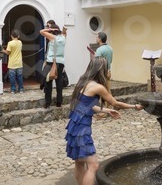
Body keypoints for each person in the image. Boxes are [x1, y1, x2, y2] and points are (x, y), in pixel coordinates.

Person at [65, 56, 143, 185]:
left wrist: (106, 110)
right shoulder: (98, 87)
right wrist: (134, 106)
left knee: (79, 163)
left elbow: (85, 105)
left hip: (74, 127)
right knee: (93, 165)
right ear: (102, 70)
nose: (109, 71)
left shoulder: (83, 82)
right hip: (81, 130)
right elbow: (115, 103)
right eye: (107, 68)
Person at [40, 23, 67, 108]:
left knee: (48, 82)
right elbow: (64, 33)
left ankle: (48, 102)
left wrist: (50, 30)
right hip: (61, 62)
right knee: (59, 82)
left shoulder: (52, 37)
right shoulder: (63, 38)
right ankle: (59, 102)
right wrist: (63, 30)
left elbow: (41, 31)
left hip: (52, 62)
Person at [4, 29, 24, 93]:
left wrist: (2, 50)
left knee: (12, 77)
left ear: (11, 36)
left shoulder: (10, 43)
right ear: (18, 36)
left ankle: (13, 89)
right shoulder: (20, 42)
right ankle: (21, 89)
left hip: (12, 63)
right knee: (20, 77)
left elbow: (8, 53)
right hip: (19, 63)